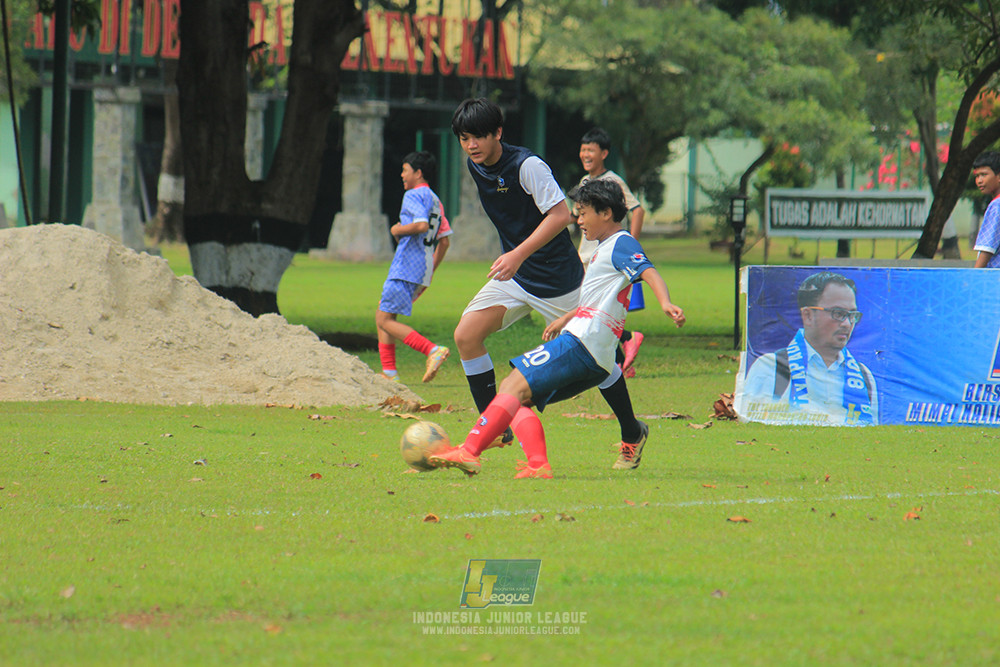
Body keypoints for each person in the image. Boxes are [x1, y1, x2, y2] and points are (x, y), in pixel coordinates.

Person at [431, 179, 685, 477]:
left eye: (583, 212)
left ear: (605, 213)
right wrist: (566, 318)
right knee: (521, 398)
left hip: (584, 344)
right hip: (597, 356)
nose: (578, 220)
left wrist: (665, 302)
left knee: (512, 385)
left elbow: (648, 270)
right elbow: (598, 297)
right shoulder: (605, 248)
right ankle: (537, 465)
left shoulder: (621, 243)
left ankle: (469, 451)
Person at [449, 98, 650, 468]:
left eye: (478, 136)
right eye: (464, 138)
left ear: (498, 133)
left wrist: (517, 254)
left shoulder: (527, 166)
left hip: (560, 282)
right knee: (466, 335)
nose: (471, 145)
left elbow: (561, 215)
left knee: (603, 362)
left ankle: (631, 432)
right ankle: (494, 429)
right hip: (515, 276)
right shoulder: (474, 165)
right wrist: (516, 260)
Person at [740, 271, 878, 425]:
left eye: (852, 315)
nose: (847, 323)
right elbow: (751, 426)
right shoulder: (770, 369)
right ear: (808, 316)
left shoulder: (864, 376)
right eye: (838, 313)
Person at [574, 127, 646, 377]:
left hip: (608, 260)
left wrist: (630, 245)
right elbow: (574, 216)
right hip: (587, 257)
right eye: (583, 149)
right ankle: (620, 360)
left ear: (604, 153)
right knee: (594, 311)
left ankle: (623, 345)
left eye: (591, 149)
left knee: (593, 311)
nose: (585, 154)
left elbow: (637, 209)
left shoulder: (613, 181)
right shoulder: (585, 183)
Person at [375, 151, 450, 384]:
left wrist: (396, 230)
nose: (401, 174)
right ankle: (389, 374)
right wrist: (431, 270)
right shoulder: (436, 200)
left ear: (418, 173)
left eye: (405, 169)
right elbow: (445, 240)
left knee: (383, 319)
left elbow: (420, 225)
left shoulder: (413, 195)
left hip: (406, 265)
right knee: (385, 311)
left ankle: (432, 350)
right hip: (422, 269)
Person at [972, 150, 1000, 268]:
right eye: (977, 176)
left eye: (984, 175)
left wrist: (974, 278)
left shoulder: (996, 206)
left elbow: (987, 248)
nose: (979, 181)